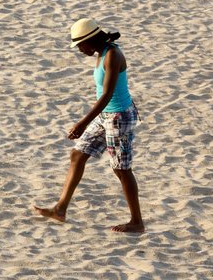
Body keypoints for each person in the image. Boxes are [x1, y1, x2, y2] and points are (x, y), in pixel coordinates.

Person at [33, 18, 145, 233]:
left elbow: (107, 94)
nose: (80, 49)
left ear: (91, 39)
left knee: (122, 169)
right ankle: (60, 209)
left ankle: (137, 222)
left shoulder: (113, 55)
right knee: (78, 154)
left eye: (80, 45)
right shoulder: (101, 53)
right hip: (106, 116)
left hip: (119, 117)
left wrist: (82, 123)